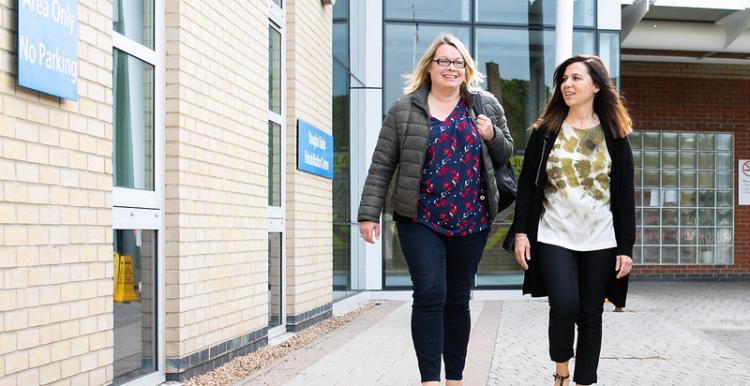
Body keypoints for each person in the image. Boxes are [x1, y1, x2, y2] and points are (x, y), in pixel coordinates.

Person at [357, 33, 513, 386]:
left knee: (458, 299)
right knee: (430, 293)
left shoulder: (485, 106)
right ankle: (430, 379)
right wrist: (368, 213)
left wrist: (491, 136)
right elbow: (382, 165)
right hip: (420, 218)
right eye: (443, 61)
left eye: (458, 62)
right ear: (429, 66)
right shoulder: (403, 110)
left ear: (466, 69)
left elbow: (506, 154)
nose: (451, 68)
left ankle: (454, 378)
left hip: (472, 219)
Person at [503, 55, 635, 386]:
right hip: (554, 236)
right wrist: (521, 233)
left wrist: (625, 247)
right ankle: (561, 368)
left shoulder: (614, 136)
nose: (568, 84)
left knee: (591, 315)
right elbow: (527, 186)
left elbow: (625, 194)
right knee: (564, 305)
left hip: (601, 239)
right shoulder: (546, 132)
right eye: (563, 78)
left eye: (576, 78)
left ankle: (584, 380)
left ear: (595, 86)